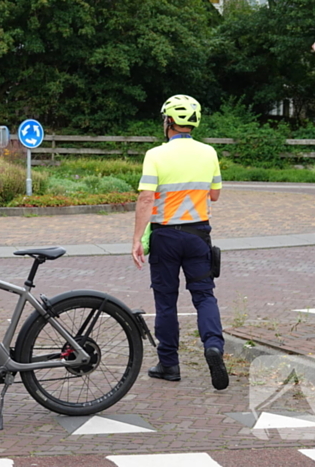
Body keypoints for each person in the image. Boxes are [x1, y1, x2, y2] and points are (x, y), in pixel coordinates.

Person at [131, 94, 229, 391]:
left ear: (169, 122)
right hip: (198, 234)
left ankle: (169, 364)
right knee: (204, 295)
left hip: (165, 236)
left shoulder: (156, 154)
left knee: (166, 301)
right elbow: (214, 195)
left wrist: (137, 238)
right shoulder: (209, 153)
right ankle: (213, 347)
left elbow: (147, 198)